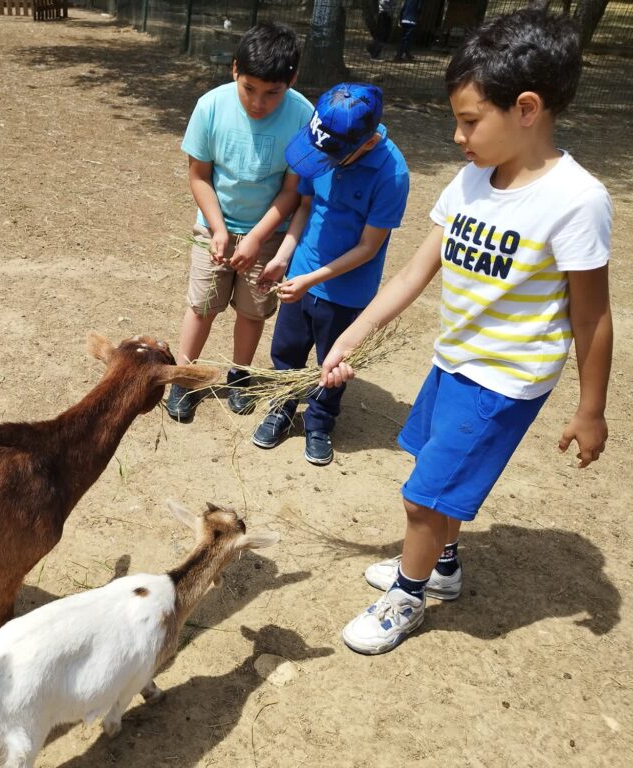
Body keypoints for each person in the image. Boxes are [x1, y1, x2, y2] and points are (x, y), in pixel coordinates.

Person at [321, 9, 612, 654]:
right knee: (433, 472)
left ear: (526, 109)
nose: (457, 136)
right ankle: (442, 567)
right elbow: (414, 272)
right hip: (454, 360)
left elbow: (592, 315)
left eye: (470, 120)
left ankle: (407, 595)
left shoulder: (576, 200)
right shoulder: (472, 178)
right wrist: (352, 336)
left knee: (422, 500)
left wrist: (590, 409)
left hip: (505, 381)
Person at [251, 83, 409, 466]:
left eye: (333, 155)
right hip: (301, 275)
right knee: (286, 350)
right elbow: (306, 206)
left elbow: (368, 247)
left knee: (332, 363)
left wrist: (312, 279)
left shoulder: (391, 174)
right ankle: (282, 406)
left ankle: (320, 421)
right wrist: (285, 257)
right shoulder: (321, 147)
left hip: (346, 291)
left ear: (368, 143)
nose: (322, 158)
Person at [164, 21, 314, 423]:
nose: (258, 102)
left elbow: (292, 191)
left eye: (272, 93)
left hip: (268, 232)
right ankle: (184, 377)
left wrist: (257, 237)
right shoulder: (210, 106)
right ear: (235, 70)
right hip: (213, 226)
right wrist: (218, 228)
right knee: (202, 305)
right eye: (249, 88)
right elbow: (199, 176)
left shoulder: (303, 116)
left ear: (292, 81)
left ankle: (240, 375)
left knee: (252, 310)